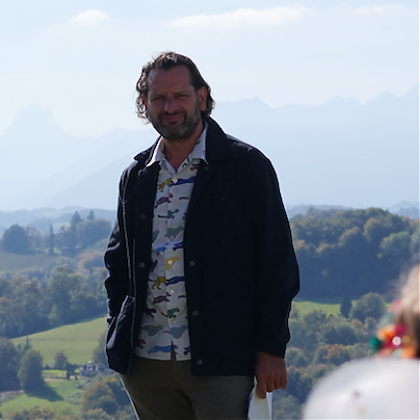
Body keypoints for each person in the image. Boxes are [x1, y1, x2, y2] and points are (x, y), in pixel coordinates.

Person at [104, 51, 300, 420]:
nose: (169, 106)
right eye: (158, 98)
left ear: (203, 97)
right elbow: (118, 264)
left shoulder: (246, 168)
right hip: (147, 366)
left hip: (224, 361)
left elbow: (278, 265)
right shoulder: (137, 176)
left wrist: (272, 348)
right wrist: (117, 329)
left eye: (180, 95)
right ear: (144, 105)